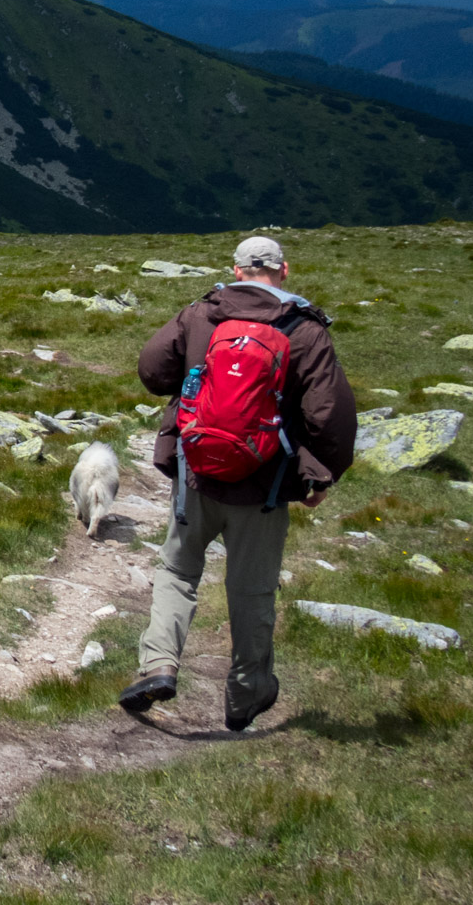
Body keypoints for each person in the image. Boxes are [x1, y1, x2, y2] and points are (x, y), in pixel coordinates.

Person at [118, 235, 356, 730]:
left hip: (197, 474)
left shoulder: (204, 312)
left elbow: (151, 369)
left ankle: (158, 663)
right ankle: (246, 693)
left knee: (178, 571)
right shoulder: (306, 331)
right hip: (263, 486)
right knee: (251, 590)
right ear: (283, 271)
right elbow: (327, 415)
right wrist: (321, 476)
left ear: (237, 269)